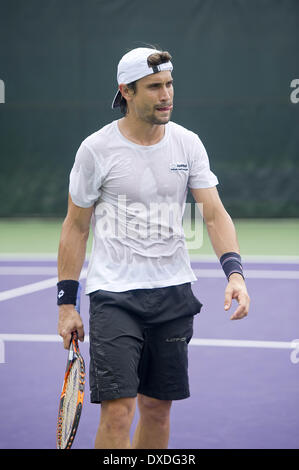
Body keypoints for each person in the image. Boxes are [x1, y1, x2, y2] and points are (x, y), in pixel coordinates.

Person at [57, 46, 250, 449]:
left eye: (169, 84)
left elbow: (213, 214)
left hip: (173, 293)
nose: (166, 95)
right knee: (118, 412)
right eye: (154, 87)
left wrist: (235, 274)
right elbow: (76, 227)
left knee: (158, 409)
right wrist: (66, 304)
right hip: (114, 296)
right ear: (126, 91)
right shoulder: (96, 149)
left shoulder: (188, 143)